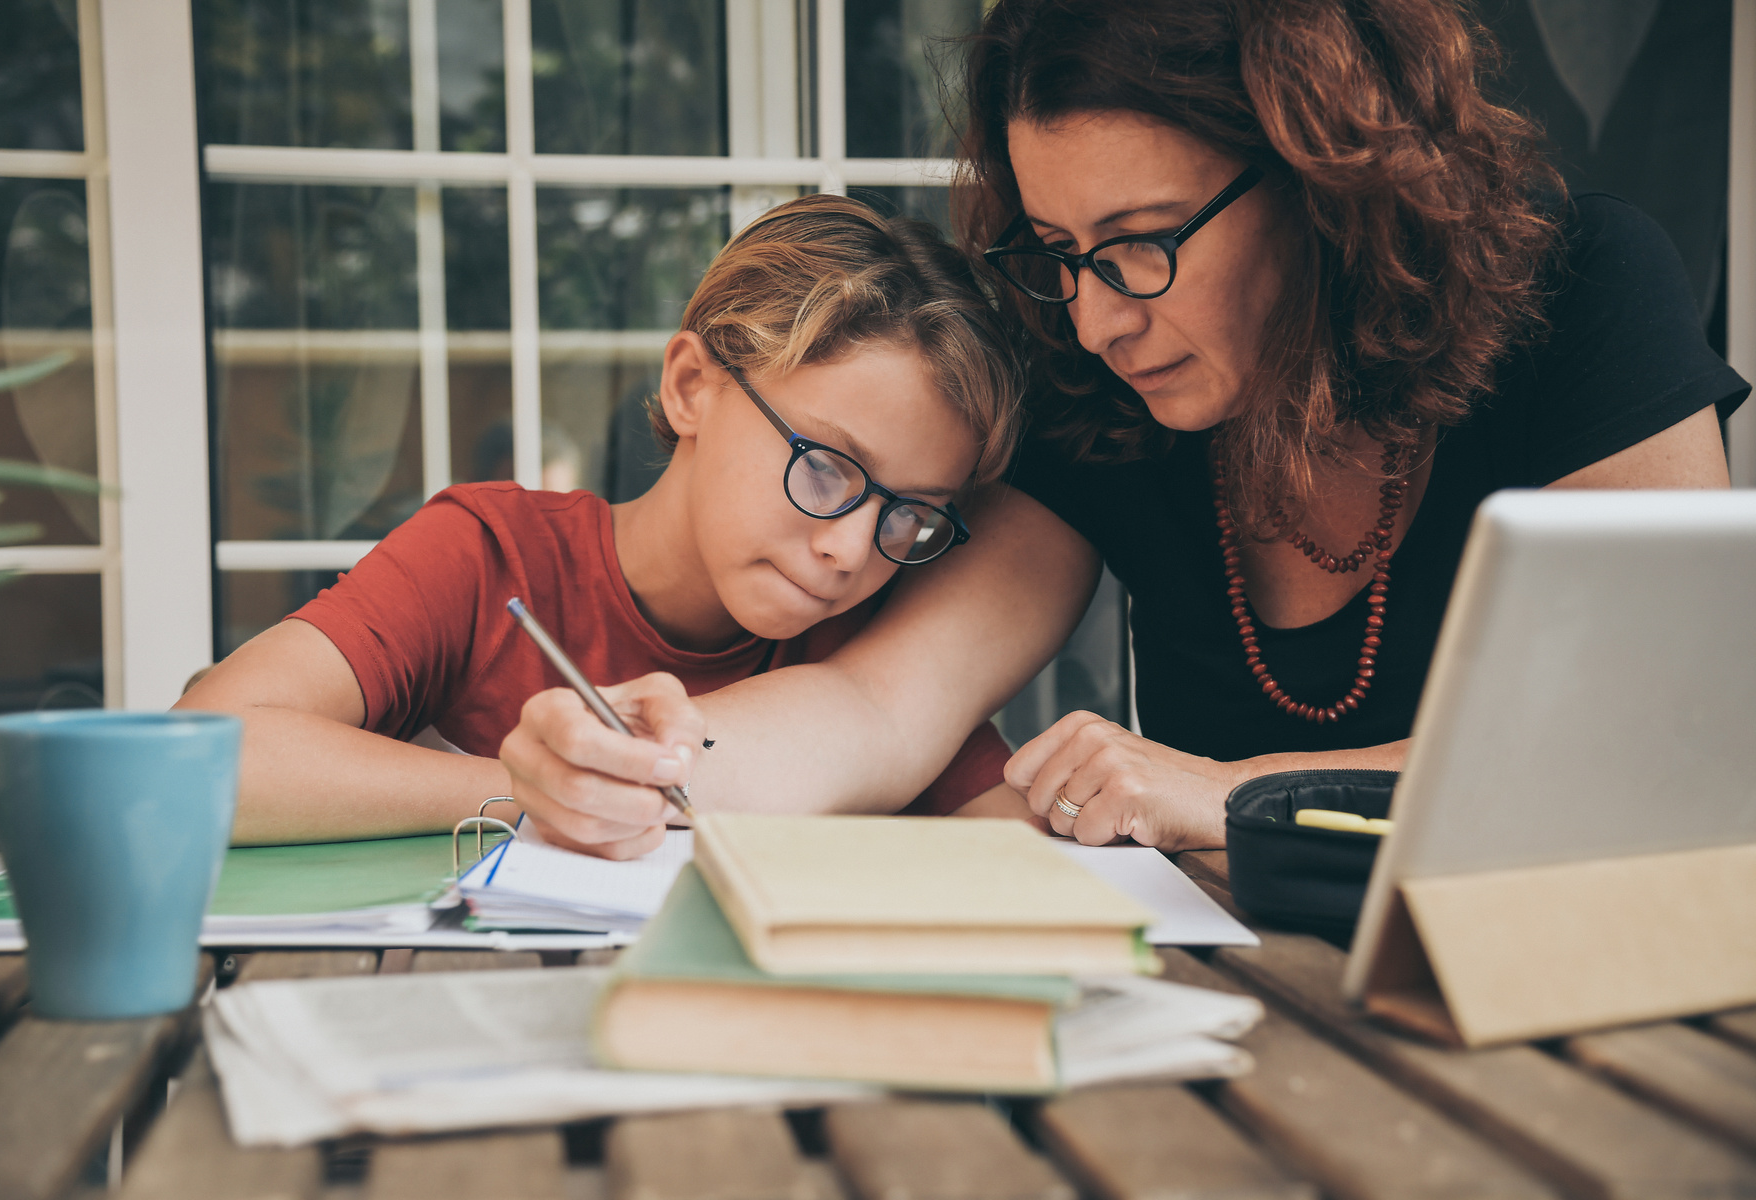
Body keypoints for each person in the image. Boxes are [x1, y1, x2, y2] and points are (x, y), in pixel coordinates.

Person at [501, 0, 1748, 857]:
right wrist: (636, 763)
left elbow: (1658, 750)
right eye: (1057, 253)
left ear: (1324, 179)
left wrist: (1220, 793)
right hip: (1254, 1013)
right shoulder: (1102, 393)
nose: (1096, 317)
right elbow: (878, 712)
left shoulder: (1579, 290)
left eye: (1140, 244)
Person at [176, 194, 1027, 852]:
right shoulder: (489, 557)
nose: (849, 549)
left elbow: (1021, 852)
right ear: (693, 386)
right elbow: (198, 756)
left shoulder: (875, 644)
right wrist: (533, 790)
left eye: (911, 515)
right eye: (825, 467)